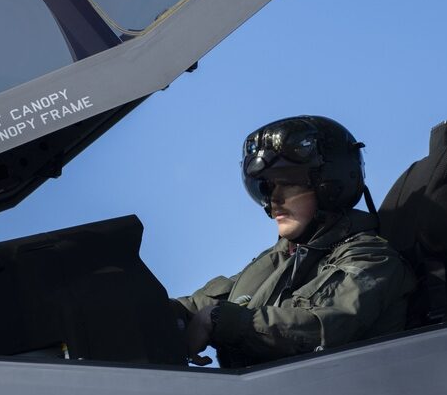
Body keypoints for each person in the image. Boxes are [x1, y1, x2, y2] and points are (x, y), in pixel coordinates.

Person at [174, 116, 415, 368]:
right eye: (267, 187)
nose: (274, 199)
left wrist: (220, 320)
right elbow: (200, 306)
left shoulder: (371, 259)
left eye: (287, 184)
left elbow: (320, 327)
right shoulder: (279, 259)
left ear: (328, 186)